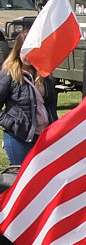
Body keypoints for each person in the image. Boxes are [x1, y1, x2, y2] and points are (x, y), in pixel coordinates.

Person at [0, 33, 58, 165]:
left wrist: (54, 122)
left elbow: (51, 102)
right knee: (21, 179)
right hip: (19, 138)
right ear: (17, 51)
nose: (28, 56)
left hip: (45, 137)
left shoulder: (44, 73)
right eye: (24, 51)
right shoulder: (8, 74)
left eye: (32, 51)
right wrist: (12, 124)